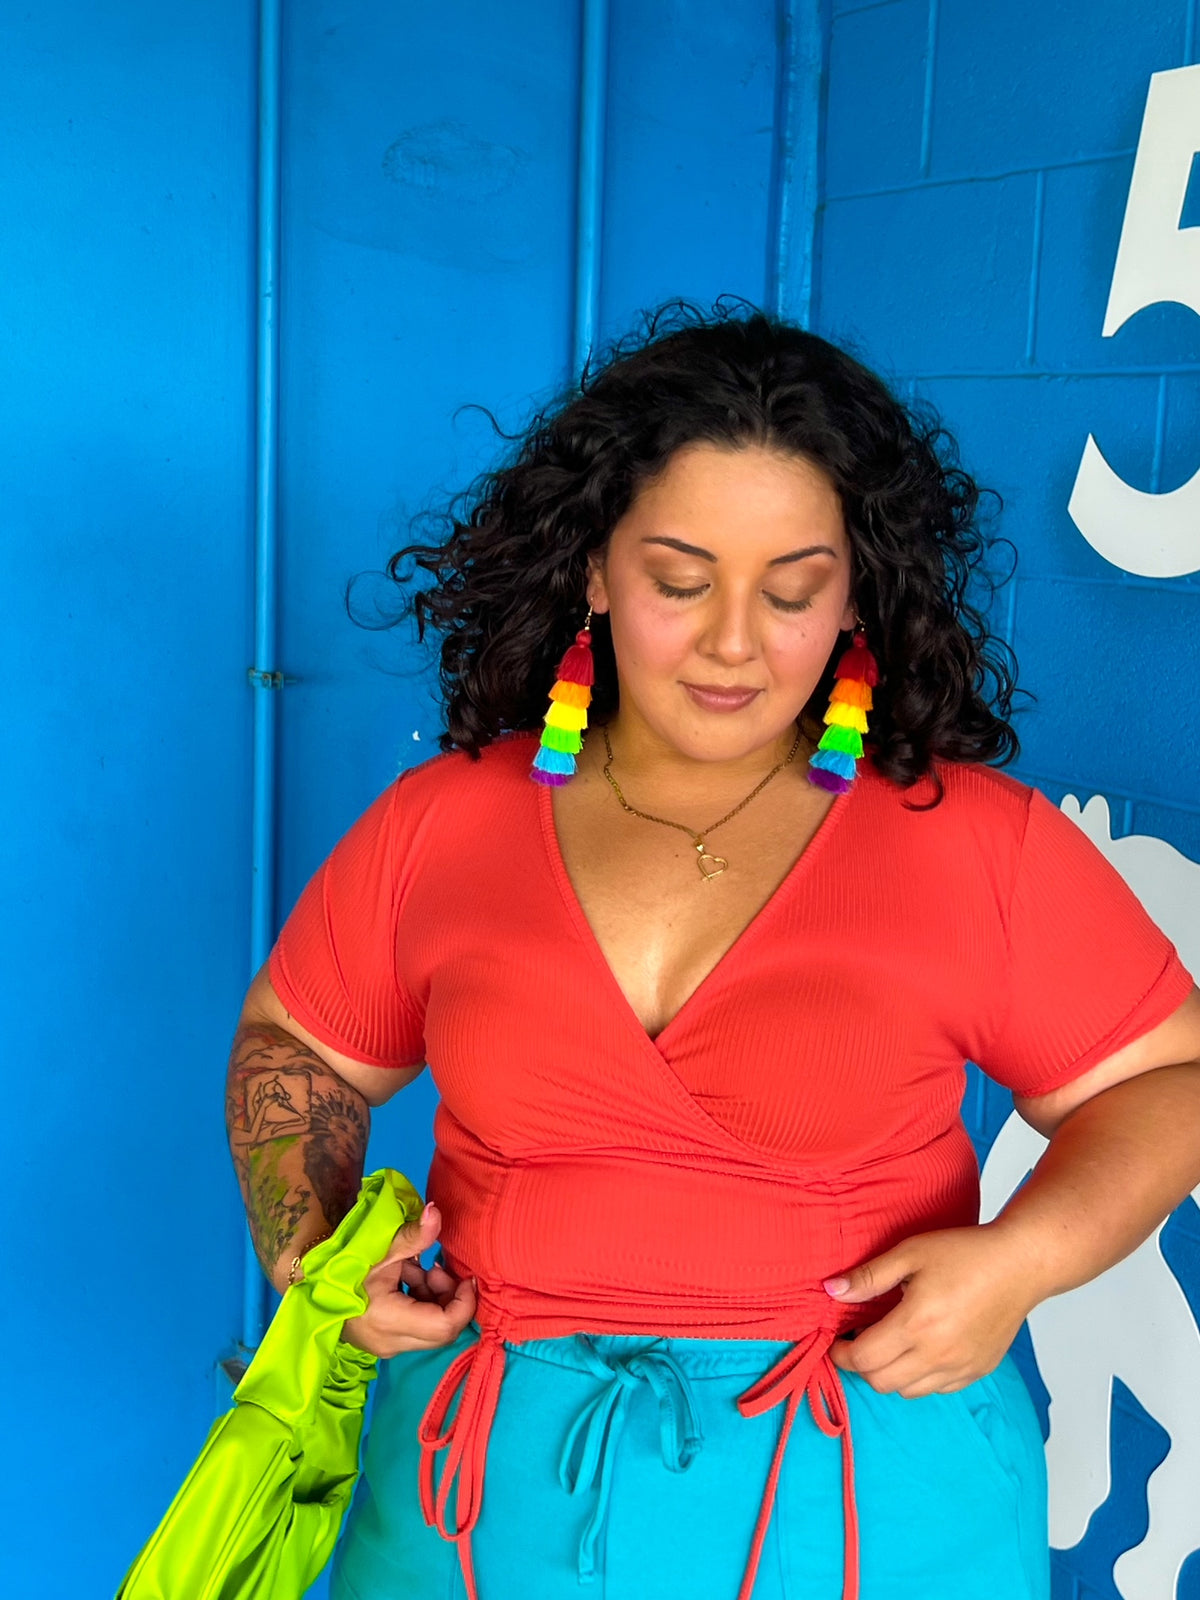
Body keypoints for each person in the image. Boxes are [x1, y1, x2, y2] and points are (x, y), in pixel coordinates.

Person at [224, 303, 1200, 1600]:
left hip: (865, 1490)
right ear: (593, 570)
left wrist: (1024, 1262)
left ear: (855, 592)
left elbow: (1166, 1081)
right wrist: (312, 1247)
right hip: (478, 1494)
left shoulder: (974, 840)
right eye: (680, 582)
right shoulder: (441, 822)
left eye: (792, 590)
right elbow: (298, 1047)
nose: (735, 642)